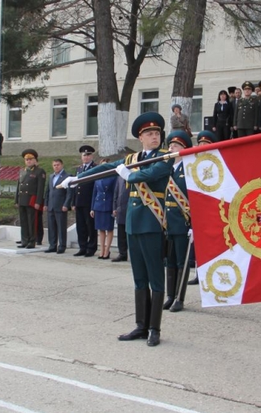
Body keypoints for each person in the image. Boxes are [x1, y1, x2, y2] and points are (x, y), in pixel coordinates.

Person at [64, 112, 173, 347]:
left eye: (157, 133)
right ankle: (140, 325)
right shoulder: (132, 158)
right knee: (139, 278)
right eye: (149, 134)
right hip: (133, 224)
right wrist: (75, 179)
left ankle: (154, 328)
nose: (154, 137)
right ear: (140, 138)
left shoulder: (165, 157)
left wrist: (129, 174)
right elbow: (105, 168)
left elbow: (151, 174)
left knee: (155, 278)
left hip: (152, 223)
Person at [163, 130, 193, 312]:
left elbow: (195, 198)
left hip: (183, 222)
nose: (172, 148)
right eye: (171, 146)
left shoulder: (189, 170)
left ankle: (179, 299)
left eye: (176, 146)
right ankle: (170, 295)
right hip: (168, 223)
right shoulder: (167, 169)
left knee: (182, 262)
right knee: (170, 261)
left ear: (184, 149)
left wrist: (194, 224)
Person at [15, 149, 46, 249]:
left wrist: (38, 201)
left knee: (32, 221)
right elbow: (18, 187)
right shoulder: (22, 171)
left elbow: (40, 188)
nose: (28, 161)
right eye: (26, 159)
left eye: (30, 159)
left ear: (35, 160)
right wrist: (16, 200)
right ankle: (24, 240)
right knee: (23, 221)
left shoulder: (39, 171)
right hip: (22, 199)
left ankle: (32, 241)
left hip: (31, 200)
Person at [43, 158, 72, 254]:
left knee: (61, 227)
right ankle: (52, 245)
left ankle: (62, 246)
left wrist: (66, 205)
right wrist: (46, 203)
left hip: (61, 206)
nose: (56, 167)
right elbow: (48, 191)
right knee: (51, 227)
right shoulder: (51, 176)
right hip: (51, 205)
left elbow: (69, 193)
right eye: (54, 165)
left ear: (62, 165)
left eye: (58, 165)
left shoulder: (67, 176)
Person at [73, 145, 97, 257]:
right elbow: (75, 186)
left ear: (92, 156)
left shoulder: (95, 168)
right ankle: (82, 247)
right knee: (80, 226)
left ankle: (91, 248)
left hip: (89, 201)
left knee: (90, 226)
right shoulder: (79, 169)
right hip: (79, 201)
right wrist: (73, 202)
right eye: (84, 155)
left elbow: (95, 187)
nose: (86, 157)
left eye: (88, 155)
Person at [91, 158, 117, 260]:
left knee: (109, 229)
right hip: (99, 205)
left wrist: (114, 207)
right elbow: (94, 193)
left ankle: (107, 250)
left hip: (108, 205)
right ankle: (101, 250)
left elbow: (115, 192)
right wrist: (92, 208)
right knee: (100, 229)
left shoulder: (113, 177)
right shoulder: (98, 177)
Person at [111, 175, 129, 262]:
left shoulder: (133, 174)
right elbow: (116, 192)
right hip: (120, 209)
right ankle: (122, 254)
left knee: (129, 235)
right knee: (121, 234)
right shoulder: (120, 177)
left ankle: (132, 255)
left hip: (130, 208)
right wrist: (114, 207)